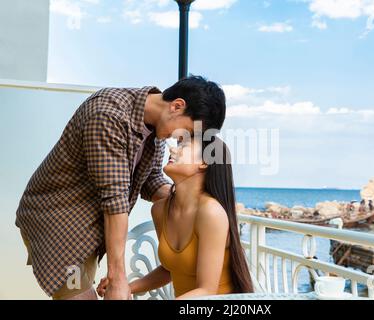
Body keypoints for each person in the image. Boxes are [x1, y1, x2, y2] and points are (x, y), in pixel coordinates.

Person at [15, 76, 226, 300]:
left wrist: (197, 201)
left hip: (88, 232)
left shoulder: (156, 127)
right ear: (177, 106)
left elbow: (151, 181)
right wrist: (118, 279)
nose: (179, 140)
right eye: (185, 132)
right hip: (57, 225)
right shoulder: (108, 115)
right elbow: (115, 201)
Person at [97, 136, 254, 299]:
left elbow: (207, 291)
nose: (172, 149)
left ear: (204, 163)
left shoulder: (210, 212)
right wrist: (125, 287)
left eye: (184, 146)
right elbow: (170, 269)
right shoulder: (159, 210)